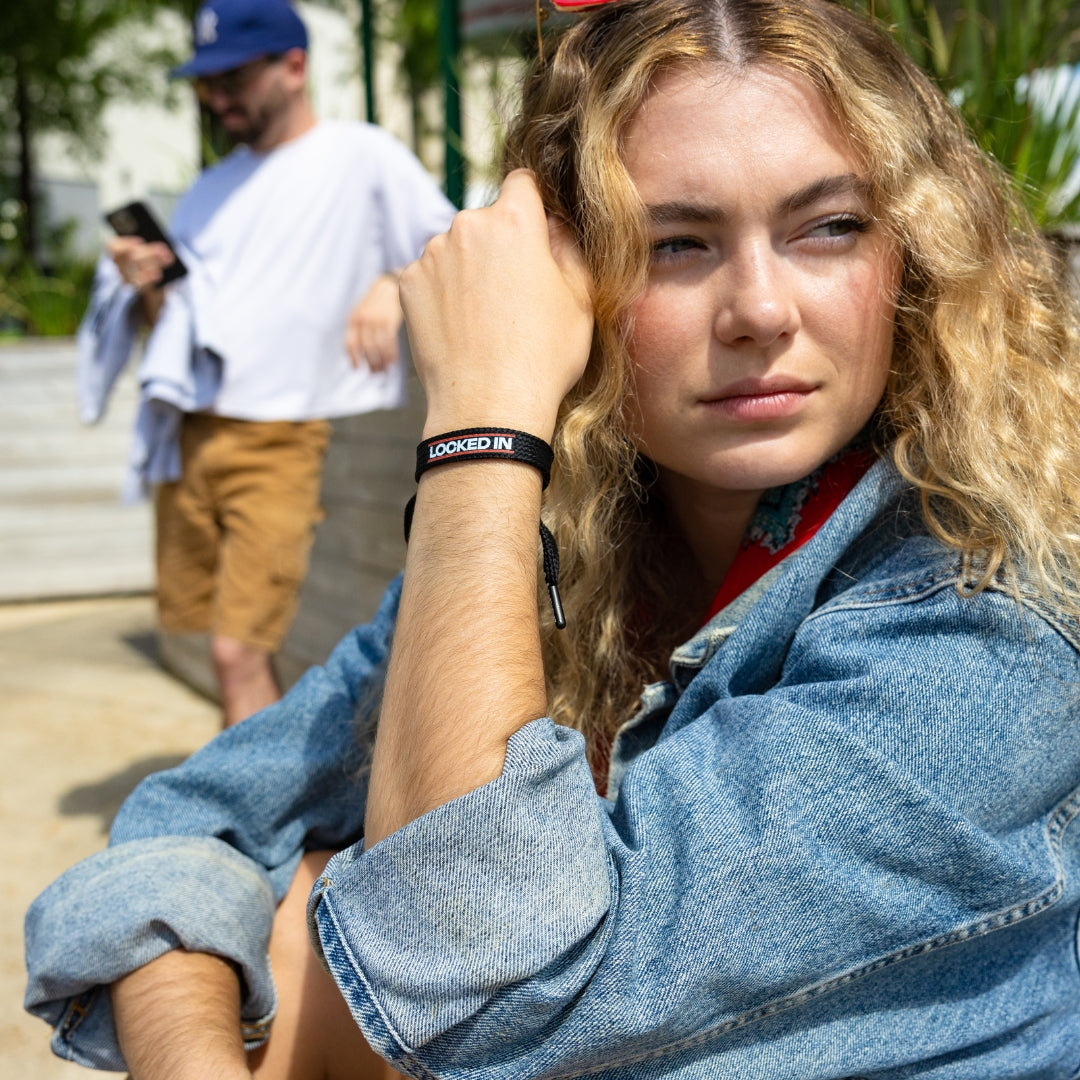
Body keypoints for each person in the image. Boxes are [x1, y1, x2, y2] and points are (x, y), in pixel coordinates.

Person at [25, 0, 1080, 1075]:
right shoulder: (574, 541)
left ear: (916, 253)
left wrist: (480, 420)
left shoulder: (987, 614)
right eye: (675, 243)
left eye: (828, 226)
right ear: (560, 285)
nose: (760, 309)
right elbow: (189, 822)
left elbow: (467, 987)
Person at [81, 0, 456, 726]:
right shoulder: (207, 189)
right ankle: (255, 803)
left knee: (237, 650)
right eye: (206, 84)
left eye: (232, 79)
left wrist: (390, 286)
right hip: (192, 434)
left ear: (294, 65)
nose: (217, 98)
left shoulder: (361, 153)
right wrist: (144, 284)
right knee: (216, 641)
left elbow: (455, 239)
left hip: (284, 434)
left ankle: (257, 825)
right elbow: (183, 323)